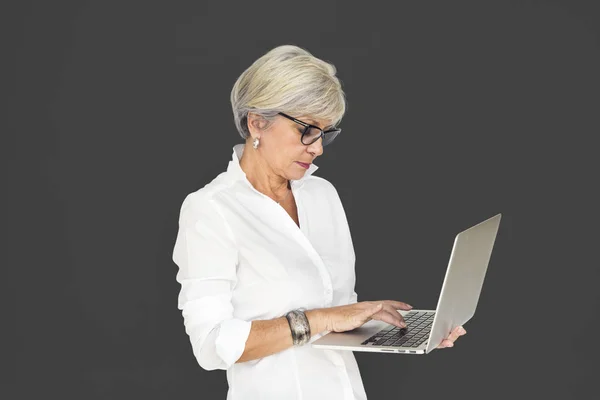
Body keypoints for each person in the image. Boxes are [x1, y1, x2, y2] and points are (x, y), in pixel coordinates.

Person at [171, 44, 466, 400]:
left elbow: (339, 316)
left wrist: (410, 331)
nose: (318, 148)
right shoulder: (211, 209)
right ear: (256, 122)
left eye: (325, 134)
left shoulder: (321, 195)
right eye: (307, 130)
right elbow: (210, 344)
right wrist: (322, 319)